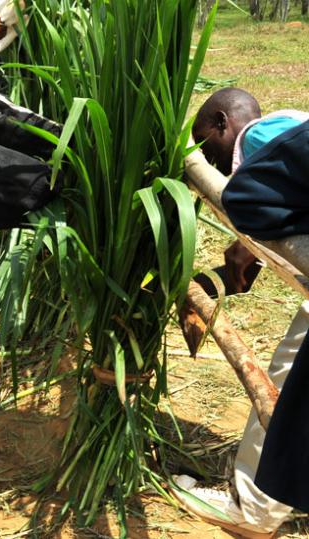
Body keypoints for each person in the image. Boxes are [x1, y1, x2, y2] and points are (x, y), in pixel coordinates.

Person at [174, 87, 309, 539]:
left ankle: (252, 509)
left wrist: (247, 228)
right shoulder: (289, 124)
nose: (210, 164)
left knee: (289, 383)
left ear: (220, 124)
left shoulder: (254, 144)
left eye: (206, 147)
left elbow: (253, 199)